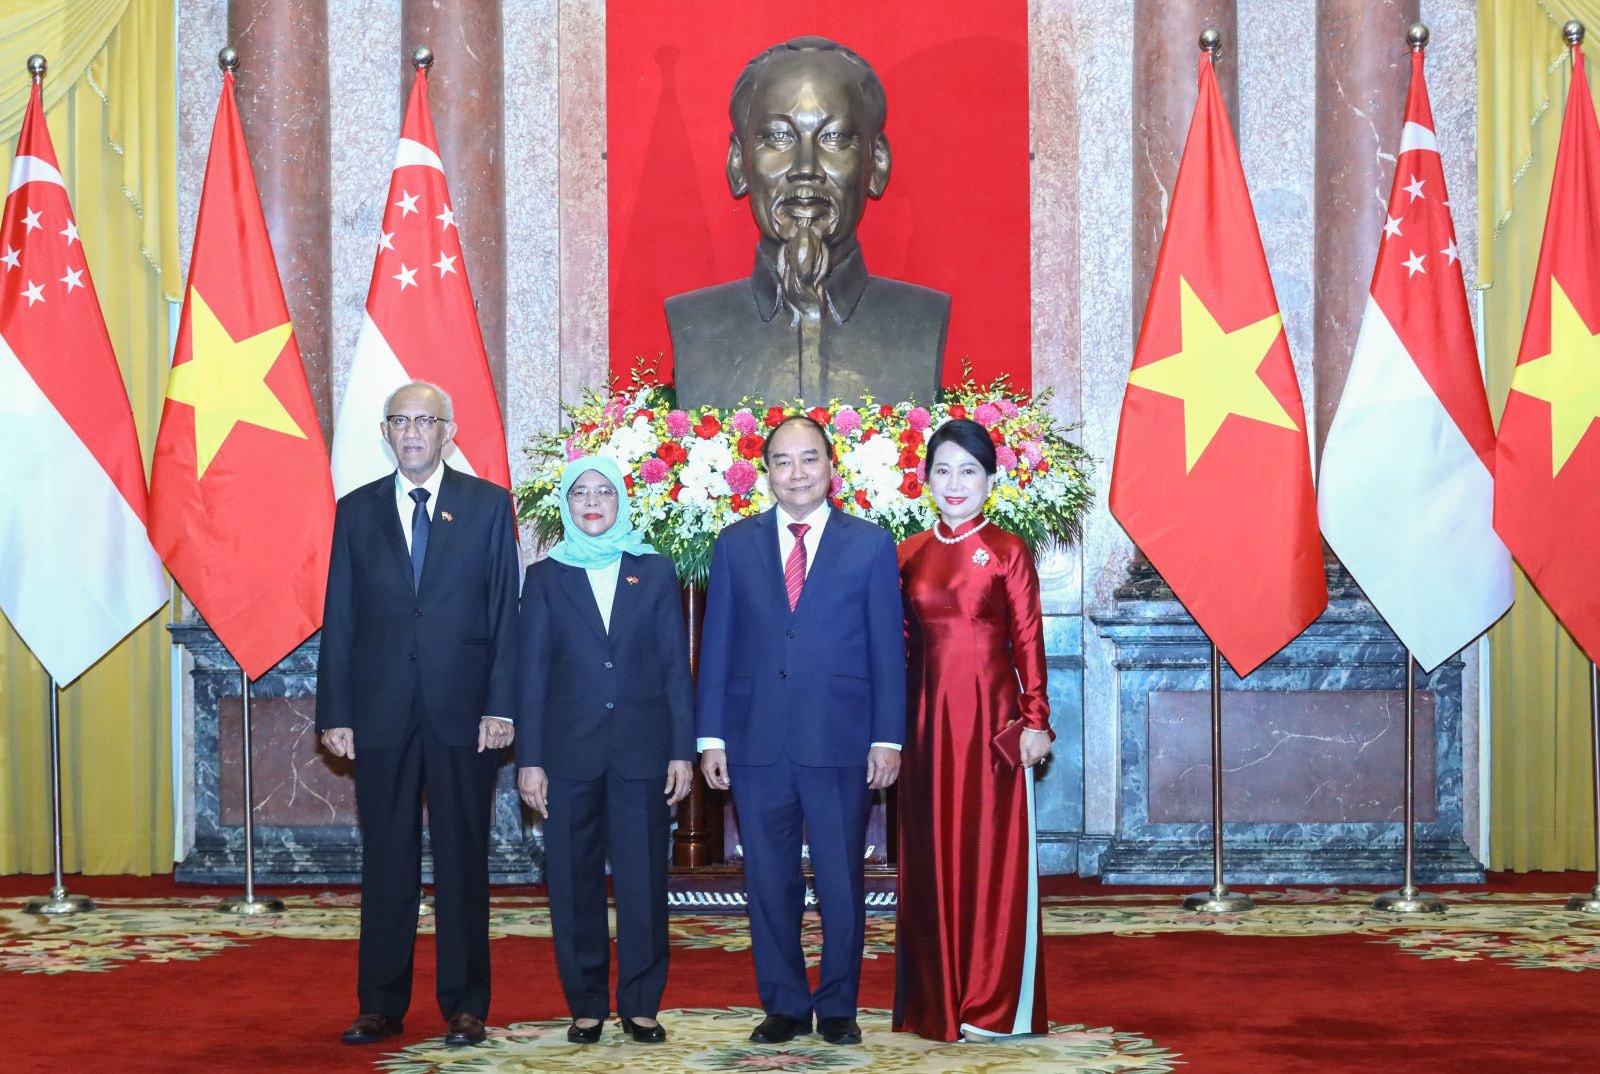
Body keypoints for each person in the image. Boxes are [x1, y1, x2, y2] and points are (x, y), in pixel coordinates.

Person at [315, 380, 520, 1048]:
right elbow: (341, 615)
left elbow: (504, 612)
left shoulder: (488, 506)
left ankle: (465, 1006)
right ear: (385, 432)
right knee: (386, 859)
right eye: (399, 420)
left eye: (425, 421)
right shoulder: (356, 511)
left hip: (465, 713)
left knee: (463, 858)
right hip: (380, 713)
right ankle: (380, 1004)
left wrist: (502, 705)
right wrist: (336, 711)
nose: (411, 432)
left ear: (447, 433)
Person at [697, 415, 906, 1046]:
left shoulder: (870, 544)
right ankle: (784, 1004)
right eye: (783, 461)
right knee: (768, 882)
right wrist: (711, 737)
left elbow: (886, 648)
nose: (797, 473)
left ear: (831, 468)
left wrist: (887, 737)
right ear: (766, 472)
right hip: (756, 743)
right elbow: (717, 645)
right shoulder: (734, 544)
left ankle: (839, 1004)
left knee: (841, 879)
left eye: (809, 459)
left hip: (840, 740)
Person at [514, 455, 695, 1045]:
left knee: (643, 883)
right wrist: (529, 760)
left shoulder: (655, 570)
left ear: (621, 500)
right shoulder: (545, 577)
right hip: (567, 756)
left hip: (643, 753)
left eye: (604, 492)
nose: (592, 502)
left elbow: (675, 668)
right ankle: (587, 1003)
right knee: (573, 884)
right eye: (580, 493)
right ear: (565, 505)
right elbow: (531, 675)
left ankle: (641, 1003)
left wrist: (681, 750)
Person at [664, 36, 949, 408]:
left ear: (876, 163)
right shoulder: (695, 324)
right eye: (779, 137)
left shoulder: (921, 320)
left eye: (834, 137)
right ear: (738, 163)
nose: (805, 168)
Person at [893, 417, 1052, 1042]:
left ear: (990, 480)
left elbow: (1028, 641)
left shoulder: (1008, 551)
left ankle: (991, 1003)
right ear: (925, 478)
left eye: (969, 470)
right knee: (929, 856)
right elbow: (898, 648)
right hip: (925, 724)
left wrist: (1036, 720)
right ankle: (935, 1001)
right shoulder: (907, 553)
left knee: (991, 856)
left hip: (994, 723)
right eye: (943, 470)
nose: (955, 483)